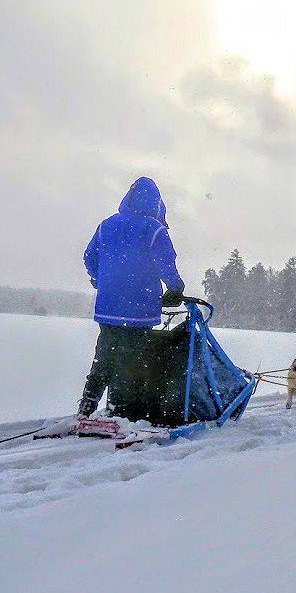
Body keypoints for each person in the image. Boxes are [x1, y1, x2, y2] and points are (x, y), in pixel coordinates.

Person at [77, 177, 185, 417]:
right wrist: (176, 289)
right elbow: (166, 265)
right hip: (139, 311)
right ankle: (121, 412)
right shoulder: (154, 229)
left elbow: (90, 257)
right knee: (131, 363)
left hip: (108, 309)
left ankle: (87, 406)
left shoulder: (107, 225)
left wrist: (100, 280)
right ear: (157, 204)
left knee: (103, 356)